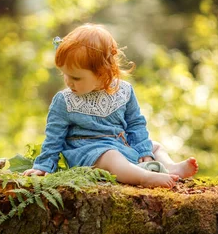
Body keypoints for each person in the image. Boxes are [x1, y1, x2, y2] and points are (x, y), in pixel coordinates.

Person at [23, 24, 198, 188]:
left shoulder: (124, 91)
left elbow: (135, 124)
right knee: (111, 156)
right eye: (65, 74)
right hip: (90, 153)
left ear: (102, 73)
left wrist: (144, 150)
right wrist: (44, 166)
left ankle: (170, 167)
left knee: (155, 146)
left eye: (76, 78)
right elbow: (54, 138)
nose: (68, 82)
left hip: (120, 143)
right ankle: (144, 177)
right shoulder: (65, 101)